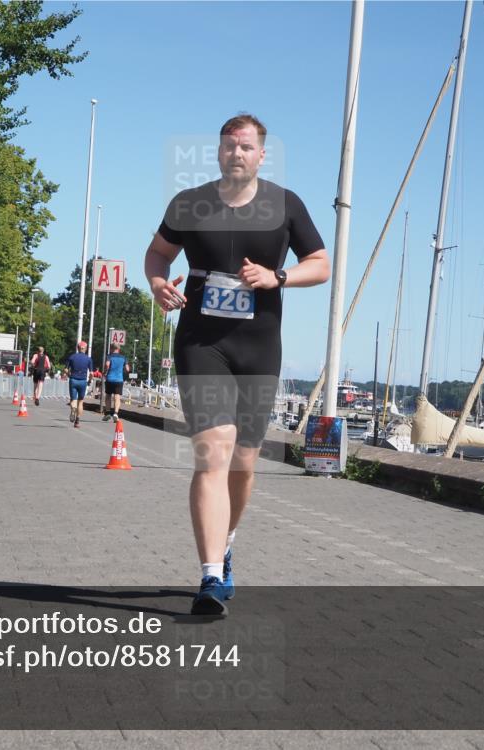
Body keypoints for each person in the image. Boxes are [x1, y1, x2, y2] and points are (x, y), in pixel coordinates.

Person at [144, 114, 330, 615]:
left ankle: (225, 542)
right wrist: (158, 282)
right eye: (229, 146)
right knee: (213, 451)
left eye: (246, 147)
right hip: (201, 342)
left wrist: (279, 277)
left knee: (244, 464)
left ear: (262, 154)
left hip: (258, 347)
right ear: (219, 152)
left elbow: (322, 264)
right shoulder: (189, 203)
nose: (237, 154)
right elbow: (158, 254)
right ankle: (208, 577)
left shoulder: (285, 205)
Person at [65, 341, 93, 428]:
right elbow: (91, 373)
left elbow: (65, 369)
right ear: (85, 349)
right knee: (80, 401)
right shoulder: (88, 359)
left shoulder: (72, 357)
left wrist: (69, 375)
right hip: (83, 381)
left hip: (73, 380)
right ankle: (77, 421)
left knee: (73, 399)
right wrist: (89, 380)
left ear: (78, 348)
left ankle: (73, 409)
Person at [102, 344, 130, 422]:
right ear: (119, 349)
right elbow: (127, 369)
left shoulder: (109, 356)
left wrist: (105, 372)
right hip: (119, 379)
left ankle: (107, 413)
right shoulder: (123, 357)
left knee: (108, 396)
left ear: (111, 348)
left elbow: (107, 365)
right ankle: (116, 413)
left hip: (110, 379)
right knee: (117, 397)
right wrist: (122, 371)